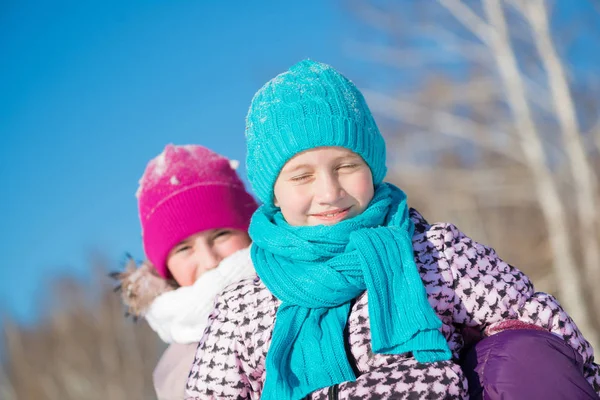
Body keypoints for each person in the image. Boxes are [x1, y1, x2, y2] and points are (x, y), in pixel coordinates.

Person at [184, 60, 600, 399]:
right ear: (271, 191)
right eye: (302, 176)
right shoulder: (241, 306)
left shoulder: (433, 253)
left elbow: (545, 334)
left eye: (346, 166)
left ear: (372, 167)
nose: (329, 192)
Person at [114, 144, 257, 400]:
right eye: (184, 249)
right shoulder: (172, 374)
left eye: (221, 234)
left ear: (250, 230)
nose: (210, 261)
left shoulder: (305, 293)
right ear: (165, 269)